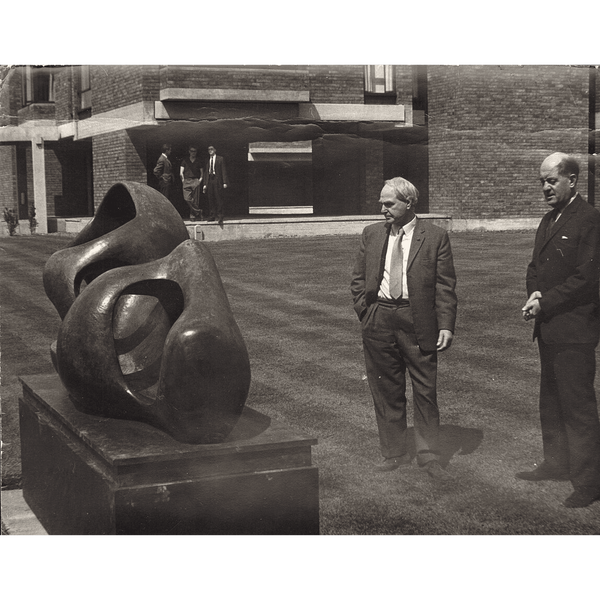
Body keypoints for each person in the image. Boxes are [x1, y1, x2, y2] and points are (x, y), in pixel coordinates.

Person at [351, 177, 458, 481]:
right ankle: (394, 452)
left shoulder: (435, 237)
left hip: (418, 321)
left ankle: (428, 455)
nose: (382, 209)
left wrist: (446, 324)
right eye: (381, 203)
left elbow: (445, 285)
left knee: (425, 390)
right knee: (386, 390)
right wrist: (366, 312)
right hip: (379, 318)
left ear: (409, 203)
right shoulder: (371, 234)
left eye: (389, 203)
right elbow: (358, 279)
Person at [519, 152, 600, 509]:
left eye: (551, 181)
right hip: (549, 327)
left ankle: (588, 482)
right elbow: (535, 266)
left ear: (573, 180)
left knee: (577, 407)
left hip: (575, 330)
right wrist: (534, 291)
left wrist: (545, 301)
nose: (546, 188)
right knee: (550, 402)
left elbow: (587, 278)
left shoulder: (590, 219)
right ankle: (556, 464)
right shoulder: (549, 219)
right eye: (542, 182)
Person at [203, 145, 229, 225]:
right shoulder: (207, 160)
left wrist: (225, 182)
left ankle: (220, 216)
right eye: (208, 150)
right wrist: (205, 184)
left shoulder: (220, 159)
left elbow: (223, 170)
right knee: (211, 198)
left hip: (217, 180)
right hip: (210, 180)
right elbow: (206, 173)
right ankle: (212, 215)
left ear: (215, 150)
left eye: (211, 149)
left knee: (218, 198)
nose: (210, 151)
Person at [180, 145, 205, 221]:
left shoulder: (198, 161)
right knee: (187, 198)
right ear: (189, 152)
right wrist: (183, 181)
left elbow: (202, 173)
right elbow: (181, 172)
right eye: (191, 151)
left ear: (196, 152)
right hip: (187, 180)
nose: (193, 153)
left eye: (194, 151)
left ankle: (192, 216)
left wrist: (199, 181)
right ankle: (199, 211)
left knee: (195, 200)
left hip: (195, 180)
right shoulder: (185, 161)